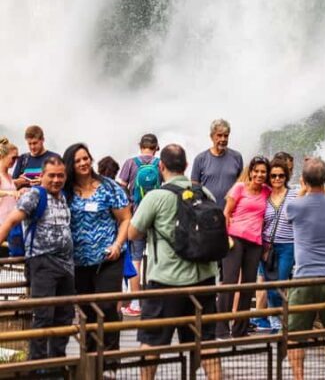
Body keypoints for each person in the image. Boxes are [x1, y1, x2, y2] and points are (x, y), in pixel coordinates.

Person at [128, 144, 220, 380]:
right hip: (204, 280)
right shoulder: (205, 193)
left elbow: (133, 233)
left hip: (165, 282)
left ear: (161, 166)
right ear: (187, 165)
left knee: (152, 342)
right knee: (206, 342)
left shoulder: (156, 197)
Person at [0, 156, 74, 360]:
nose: (56, 180)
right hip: (42, 263)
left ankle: (57, 362)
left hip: (66, 266)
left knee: (65, 316)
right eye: (51, 176)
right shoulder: (34, 195)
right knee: (43, 316)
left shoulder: (63, 197)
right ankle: (39, 367)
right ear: (42, 176)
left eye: (60, 176)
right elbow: (10, 221)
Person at [63, 143, 131, 353]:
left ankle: (109, 360)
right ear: (70, 165)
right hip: (79, 261)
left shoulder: (109, 187)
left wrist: (117, 244)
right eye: (77, 160)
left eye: (86, 158)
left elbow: (126, 218)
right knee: (86, 311)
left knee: (107, 307)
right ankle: (90, 359)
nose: (83, 163)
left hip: (108, 258)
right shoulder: (65, 190)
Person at [286, 157, 325, 380]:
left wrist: (305, 188)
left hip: (304, 278)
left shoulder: (294, 205)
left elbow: (297, 206)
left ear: (303, 180)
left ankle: (299, 378)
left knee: (295, 335)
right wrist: (320, 183)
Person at [216, 156, 270, 339]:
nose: (260, 175)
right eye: (257, 171)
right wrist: (225, 238)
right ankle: (221, 327)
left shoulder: (266, 192)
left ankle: (240, 328)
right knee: (230, 282)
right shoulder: (239, 188)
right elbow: (226, 213)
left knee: (248, 285)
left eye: (263, 172)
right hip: (235, 239)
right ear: (251, 171)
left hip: (255, 242)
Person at [118, 134, 160, 316]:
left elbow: (120, 187)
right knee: (157, 257)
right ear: (156, 147)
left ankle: (135, 304)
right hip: (157, 217)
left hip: (136, 217)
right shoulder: (161, 164)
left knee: (135, 258)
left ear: (140, 146)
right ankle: (157, 302)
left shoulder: (130, 163)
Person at [261, 157, 296, 332]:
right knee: (269, 284)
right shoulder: (264, 194)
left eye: (281, 176)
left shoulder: (294, 194)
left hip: (288, 246)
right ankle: (275, 321)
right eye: (273, 176)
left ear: (286, 176)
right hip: (267, 246)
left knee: (280, 283)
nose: (277, 179)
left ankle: (282, 319)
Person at [191, 119, 243, 208]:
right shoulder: (200, 159)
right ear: (211, 136)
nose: (223, 139)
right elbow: (194, 186)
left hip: (231, 211)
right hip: (208, 212)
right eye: (219, 135)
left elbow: (241, 184)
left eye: (226, 136)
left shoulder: (237, 157)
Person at [12, 125, 60, 189]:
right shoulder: (22, 159)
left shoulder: (54, 157)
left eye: (35, 143)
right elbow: (11, 185)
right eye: (29, 144)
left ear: (42, 140)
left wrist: (44, 182)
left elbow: (61, 181)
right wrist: (18, 182)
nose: (32, 147)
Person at [0, 138, 20, 227]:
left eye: (17, 158)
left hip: (11, 222)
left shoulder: (10, 176)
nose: (15, 161)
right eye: (13, 158)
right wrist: (10, 193)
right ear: (1, 156)